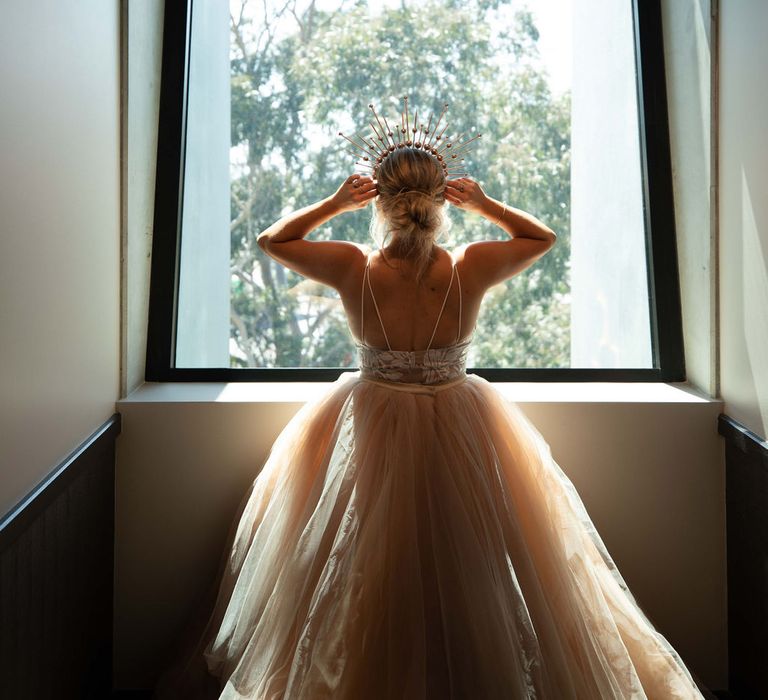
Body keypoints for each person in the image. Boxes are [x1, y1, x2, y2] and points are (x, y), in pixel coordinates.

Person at [154, 114, 706, 699]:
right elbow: (541, 240)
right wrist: (488, 205)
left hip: (373, 413)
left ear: (381, 200)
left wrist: (334, 204)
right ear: (442, 199)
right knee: (478, 559)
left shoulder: (353, 267)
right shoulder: (468, 266)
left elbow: (272, 241)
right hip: (460, 416)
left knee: (362, 564)